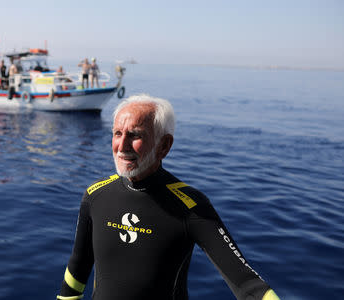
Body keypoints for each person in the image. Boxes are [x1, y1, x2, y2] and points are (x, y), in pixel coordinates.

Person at [57, 94, 281, 300]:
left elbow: (247, 284)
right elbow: (78, 267)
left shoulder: (190, 206)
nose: (122, 146)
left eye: (135, 135)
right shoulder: (96, 195)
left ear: (164, 145)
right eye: (117, 133)